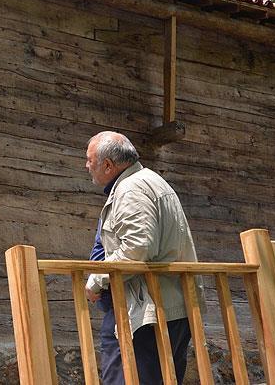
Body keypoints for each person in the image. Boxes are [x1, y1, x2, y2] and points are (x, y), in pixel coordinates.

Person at [83, 131, 200, 384]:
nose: (86, 166)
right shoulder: (150, 181)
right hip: (165, 305)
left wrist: (96, 280)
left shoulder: (131, 188)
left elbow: (137, 249)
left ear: (107, 164)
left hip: (145, 312)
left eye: (89, 160)